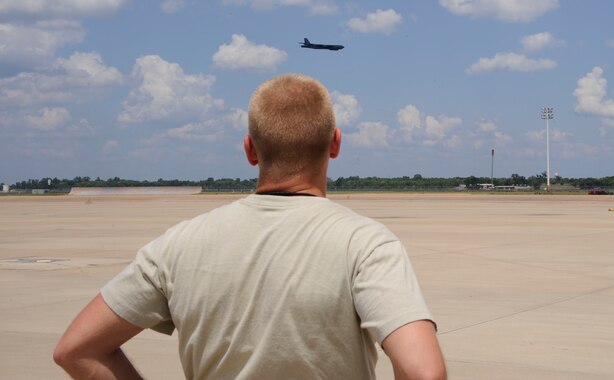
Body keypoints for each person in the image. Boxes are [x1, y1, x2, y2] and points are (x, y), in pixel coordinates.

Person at [54, 74, 446, 379]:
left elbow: (76, 350)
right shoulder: (366, 244)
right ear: (335, 143)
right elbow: (423, 372)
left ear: (250, 150)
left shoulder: (178, 244)